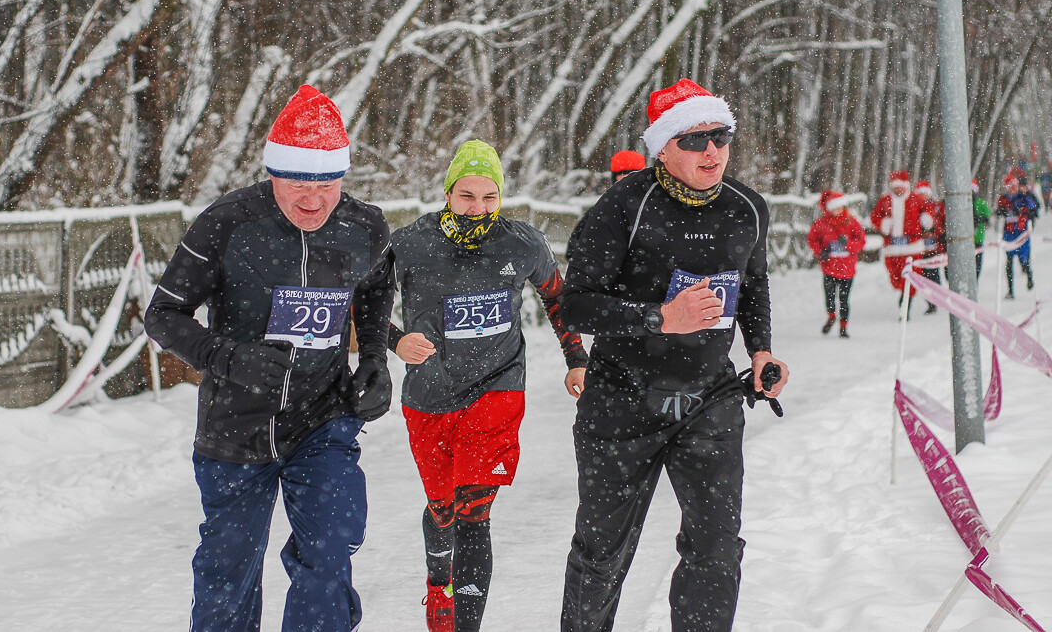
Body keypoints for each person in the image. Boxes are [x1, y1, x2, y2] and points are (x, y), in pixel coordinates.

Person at [144, 85, 394, 632]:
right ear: (272, 173)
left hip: (324, 419)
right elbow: (163, 314)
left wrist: (374, 356)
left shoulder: (365, 226)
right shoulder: (226, 224)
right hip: (236, 427)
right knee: (227, 573)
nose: (312, 200)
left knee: (329, 555)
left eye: (326, 184)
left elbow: (377, 284)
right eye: (297, 184)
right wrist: (225, 357)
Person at [559, 78, 789, 632]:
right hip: (622, 402)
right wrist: (661, 317)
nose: (711, 151)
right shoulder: (623, 207)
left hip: (709, 398)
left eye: (720, 136)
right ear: (662, 147)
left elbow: (752, 285)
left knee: (715, 549)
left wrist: (761, 352)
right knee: (602, 552)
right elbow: (577, 306)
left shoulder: (746, 209)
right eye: (693, 140)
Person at [390, 139, 588, 632]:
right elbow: (361, 304)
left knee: (474, 510)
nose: (479, 208)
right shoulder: (409, 243)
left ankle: (466, 625)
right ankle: (440, 585)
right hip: (430, 394)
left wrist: (576, 359)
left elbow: (557, 299)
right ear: (448, 193)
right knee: (442, 509)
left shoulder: (521, 243)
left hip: (498, 388)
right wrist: (396, 340)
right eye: (467, 196)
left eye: (490, 198)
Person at [807, 189, 866, 337]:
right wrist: (820, 251)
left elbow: (861, 242)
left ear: (844, 207)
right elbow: (812, 239)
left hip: (847, 269)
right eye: (833, 208)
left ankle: (844, 327)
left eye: (839, 208)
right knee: (830, 298)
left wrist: (848, 244)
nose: (836, 211)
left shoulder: (852, 222)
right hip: (829, 268)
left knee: (844, 300)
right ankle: (831, 316)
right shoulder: (821, 223)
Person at [870, 171, 918, 309]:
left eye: (901, 186)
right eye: (896, 187)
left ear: (906, 186)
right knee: (896, 278)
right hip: (892, 248)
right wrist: (883, 223)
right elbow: (875, 217)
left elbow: (927, 211)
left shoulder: (915, 200)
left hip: (912, 248)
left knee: (909, 279)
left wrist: (926, 220)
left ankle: (905, 303)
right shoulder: (885, 201)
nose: (898, 189)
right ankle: (904, 296)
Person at [905, 180, 944, 314]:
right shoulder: (912, 207)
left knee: (934, 276)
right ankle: (930, 302)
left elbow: (942, 222)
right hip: (919, 248)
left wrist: (936, 230)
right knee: (922, 277)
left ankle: (937, 299)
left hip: (934, 247)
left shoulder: (937, 206)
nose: (922, 197)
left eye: (924, 194)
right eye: (920, 195)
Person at [997, 174, 1036, 299]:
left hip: (1021, 233)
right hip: (1009, 234)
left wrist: (1023, 211)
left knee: (1024, 261)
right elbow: (998, 210)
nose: (1012, 189)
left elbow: (1033, 207)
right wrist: (1001, 211)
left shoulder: (1023, 197)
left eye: (1014, 186)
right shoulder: (1003, 199)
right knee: (1008, 264)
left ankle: (1029, 277)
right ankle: (1010, 291)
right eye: (1010, 186)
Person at [972, 179, 991, 279]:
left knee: (977, 268)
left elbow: (988, 221)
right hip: (965, 241)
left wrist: (979, 218)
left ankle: (975, 286)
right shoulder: (961, 204)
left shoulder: (981, 203)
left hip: (978, 239)